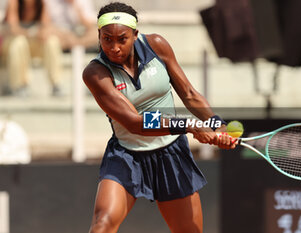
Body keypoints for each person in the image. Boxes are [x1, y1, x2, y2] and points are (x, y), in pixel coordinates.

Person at [83, 2, 236, 233]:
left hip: (170, 153)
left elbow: (189, 94)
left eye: (121, 39)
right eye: (106, 39)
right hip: (126, 155)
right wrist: (189, 126)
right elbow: (136, 123)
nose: (113, 47)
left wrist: (218, 125)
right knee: (102, 225)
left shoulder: (157, 45)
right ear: (99, 35)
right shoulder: (95, 73)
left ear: (135, 35)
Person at [1, 0, 63, 96]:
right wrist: (31, 33)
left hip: (32, 43)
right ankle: (19, 85)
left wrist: (42, 33)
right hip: (11, 44)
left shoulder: (42, 4)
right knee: (19, 42)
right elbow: (13, 29)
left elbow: (46, 27)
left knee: (52, 41)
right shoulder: (14, 2)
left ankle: (56, 84)